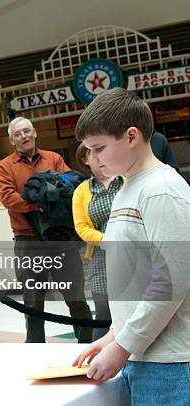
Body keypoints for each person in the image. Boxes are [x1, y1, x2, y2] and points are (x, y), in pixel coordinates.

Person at [73, 88, 189, 405]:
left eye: (99, 148)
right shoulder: (129, 187)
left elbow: (171, 279)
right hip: (145, 356)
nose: (93, 160)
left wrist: (122, 346)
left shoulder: (161, 190)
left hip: (172, 363)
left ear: (131, 136)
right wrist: (114, 336)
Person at [0, 116, 92, 343]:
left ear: (35, 133)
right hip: (27, 241)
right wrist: (40, 204)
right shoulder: (5, 166)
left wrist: (47, 200)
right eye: (18, 134)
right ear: (12, 140)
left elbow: (69, 187)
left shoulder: (54, 158)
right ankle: (35, 351)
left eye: (27, 131)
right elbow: (8, 198)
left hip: (60, 240)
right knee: (33, 302)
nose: (24, 136)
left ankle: (88, 345)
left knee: (76, 297)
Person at [72, 143, 123, 340]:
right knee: (104, 310)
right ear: (85, 160)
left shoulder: (125, 181)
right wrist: (108, 240)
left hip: (132, 252)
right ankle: (95, 359)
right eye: (93, 153)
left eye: (101, 150)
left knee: (131, 306)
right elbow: (81, 227)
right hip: (101, 255)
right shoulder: (81, 191)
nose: (99, 157)